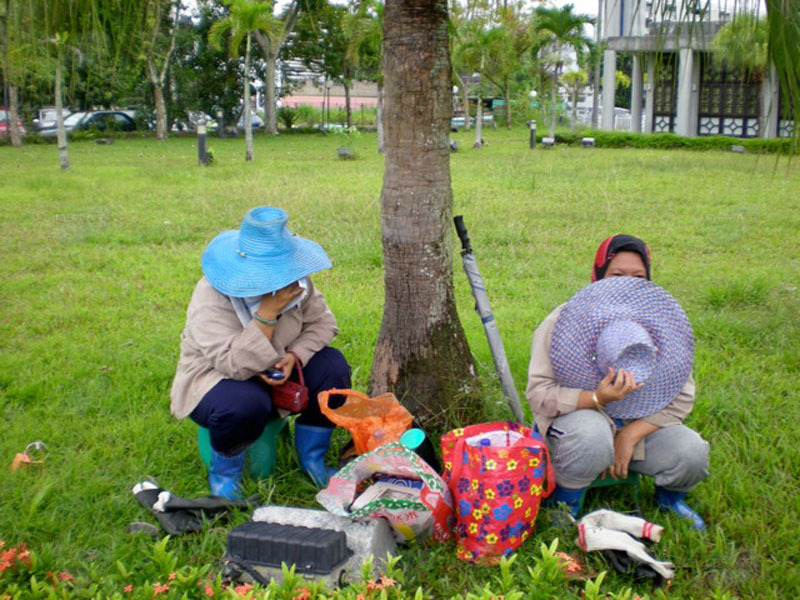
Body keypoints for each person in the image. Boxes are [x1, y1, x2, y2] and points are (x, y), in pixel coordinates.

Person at [526, 235, 709, 530]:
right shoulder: (561, 322)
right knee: (591, 436)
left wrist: (630, 436)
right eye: (617, 274)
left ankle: (670, 499)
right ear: (597, 275)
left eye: (638, 276)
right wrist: (597, 399)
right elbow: (539, 394)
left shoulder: (664, 322)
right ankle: (565, 501)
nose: (627, 283)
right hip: (577, 427)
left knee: (692, 451)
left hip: (639, 430)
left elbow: (682, 396)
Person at [170, 207, 351, 498]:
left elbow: (323, 323)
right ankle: (225, 475)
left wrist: (294, 357)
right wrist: (266, 315)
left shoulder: (296, 283)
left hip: (279, 368)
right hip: (218, 379)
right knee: (244, 403)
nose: (278, 279)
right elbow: (232, 364)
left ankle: (312, 459)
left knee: (333, 368)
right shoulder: (212, 294)